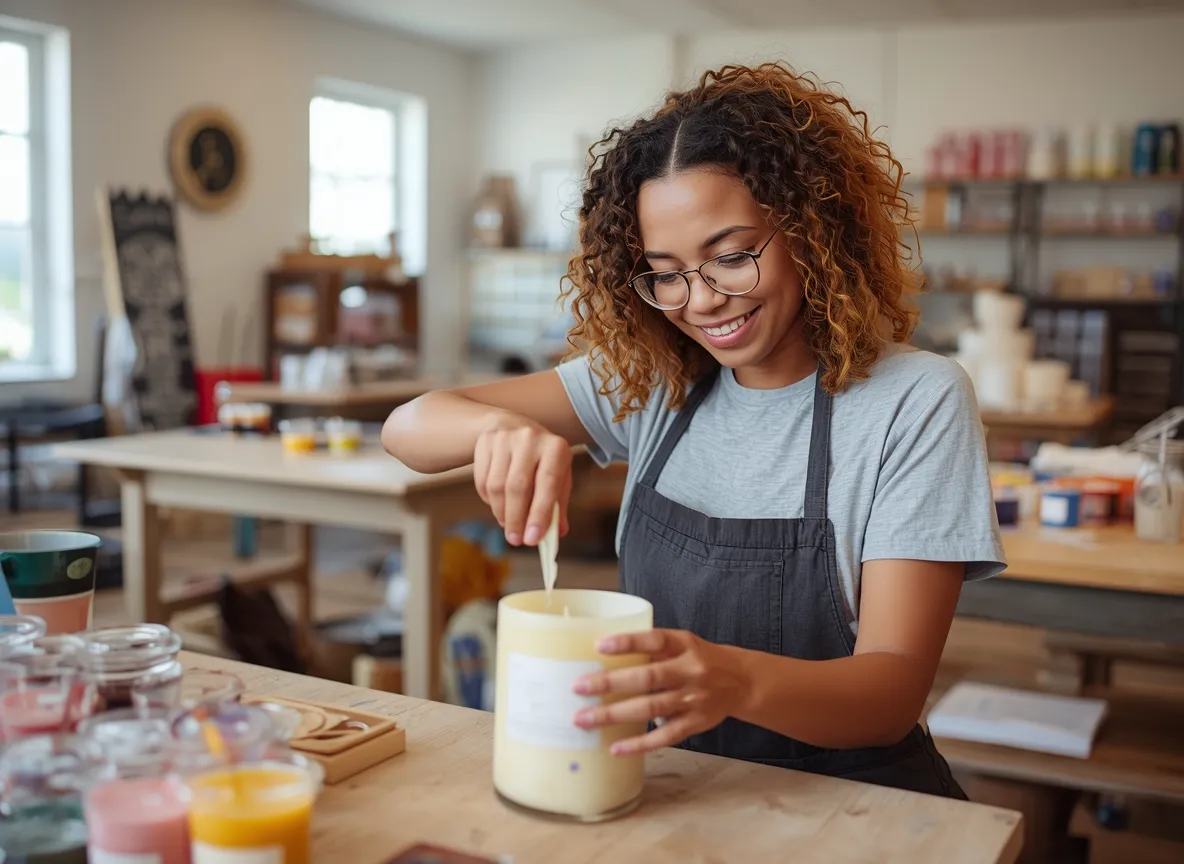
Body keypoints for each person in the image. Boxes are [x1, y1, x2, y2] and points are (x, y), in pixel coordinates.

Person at [383, 62, 1006, 799]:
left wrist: (734, 679)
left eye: (732, 256)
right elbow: (409, 426)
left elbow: (891, 693)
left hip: (856, 807)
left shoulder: (914, 401)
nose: (702, 302)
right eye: (666, 273)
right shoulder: (657, 382)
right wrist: (497, 430)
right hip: (680, 789)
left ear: (812, 230)